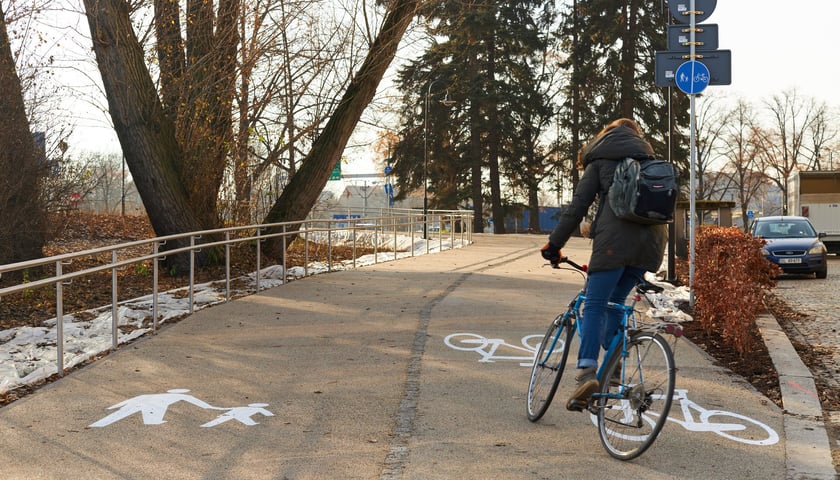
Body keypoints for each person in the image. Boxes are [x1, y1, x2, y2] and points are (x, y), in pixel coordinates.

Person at [540, 118, 668, 412]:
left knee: (595, 303)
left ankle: (586, 373)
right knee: (615, 302)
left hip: (613, 247)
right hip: (650, 248)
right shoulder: (650, 162)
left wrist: (554, 245)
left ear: (605, 137)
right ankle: (614, 370)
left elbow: (577, 208)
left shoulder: (599, 162)